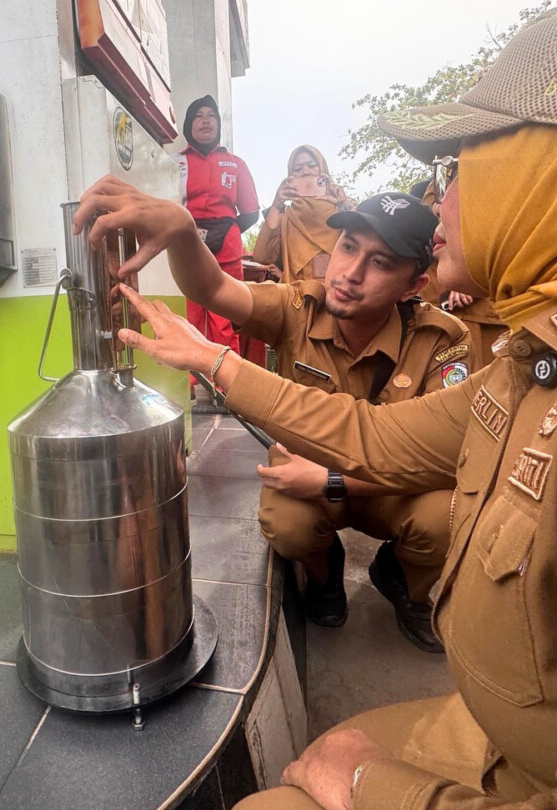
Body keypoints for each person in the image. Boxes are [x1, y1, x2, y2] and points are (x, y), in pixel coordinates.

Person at [80, 0, 557, 809]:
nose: (442, 208)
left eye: (462, 167)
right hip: (505, 739)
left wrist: (379, 784)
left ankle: (409, 588)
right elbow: (374, 434)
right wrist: (211, 360)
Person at [80, 180, 473, 651]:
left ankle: (404, 584)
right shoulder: (297, 307)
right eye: (348, 247)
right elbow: (213, 287)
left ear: (414, 285)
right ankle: (324, 574)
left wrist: (332, 480)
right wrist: (185, 233)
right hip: (310, 490)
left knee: (453, 511)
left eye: (381, 263)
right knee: (287, 522)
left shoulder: (444, 339)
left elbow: (445, 459)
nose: (349, 272)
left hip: (388, 491)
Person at [174, 95, 259, 359]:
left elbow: (251, 212)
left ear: (218, 124)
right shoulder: (174, 162)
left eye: (211, 115)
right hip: (186, 242)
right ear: (189, 124)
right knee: (191, 313)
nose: (205, 120)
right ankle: (191, 380)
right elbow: (166, 207)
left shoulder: (236, 164)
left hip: (228, 247)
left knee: (225, 314)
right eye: (198, 115)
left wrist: (226, 231)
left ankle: (226, 382)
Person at [411, 174, 507, 372]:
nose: (439, 208)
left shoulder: (475, 173)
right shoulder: (428, 188)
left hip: (483, 312)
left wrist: (469, 275)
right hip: (439, 304)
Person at [253, 145, 354, 283]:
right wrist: (277, 205)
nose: (306, 172)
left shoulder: (343, 210)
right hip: (298, 300)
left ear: (323, 169)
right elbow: (262, 256)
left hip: (340, 296)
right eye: (298, 169)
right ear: (290, 177)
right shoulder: (285, 218)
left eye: (312, 165)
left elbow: (370, 241)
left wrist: (343, 203)